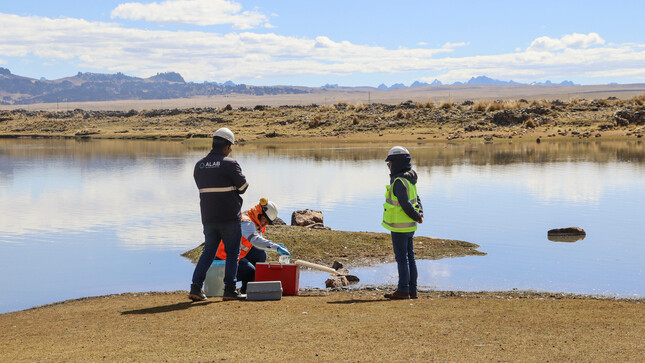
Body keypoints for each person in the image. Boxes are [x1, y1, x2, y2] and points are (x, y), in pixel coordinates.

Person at [189, 127, 248, 302]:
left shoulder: (199, 165)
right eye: (230, 147)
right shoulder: (230, 163)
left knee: (208, 252)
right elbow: (243, 187)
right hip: (229, 217)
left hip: (208, 217)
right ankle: (230, 289)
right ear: (226, 147)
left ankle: (195, 287)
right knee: (232, 253)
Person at [215, 198, 291, 294]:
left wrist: (274, 245)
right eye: (266, 220)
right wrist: (276, 247)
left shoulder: (257, 222)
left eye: (268, 222)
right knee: (251, 271)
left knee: (260, 254)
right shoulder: (246, 222)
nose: (265, 224)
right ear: (260, 213)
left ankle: (246, 289)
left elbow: (259, 242)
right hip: (223, 259)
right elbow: (256, 240)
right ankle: (232, 286)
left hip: (236, 254)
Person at [381, 146, 424, 299]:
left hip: (400, 226)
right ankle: (413, 290)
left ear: (396, 163)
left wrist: (416, 215)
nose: (388, 167)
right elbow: (417, 199)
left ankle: (403, 290)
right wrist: (419, 213)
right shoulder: (410, 179)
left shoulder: (399, 181)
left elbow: (405, 203)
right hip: (410, 226)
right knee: (410, 257)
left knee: (402, 258)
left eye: (389, 164)